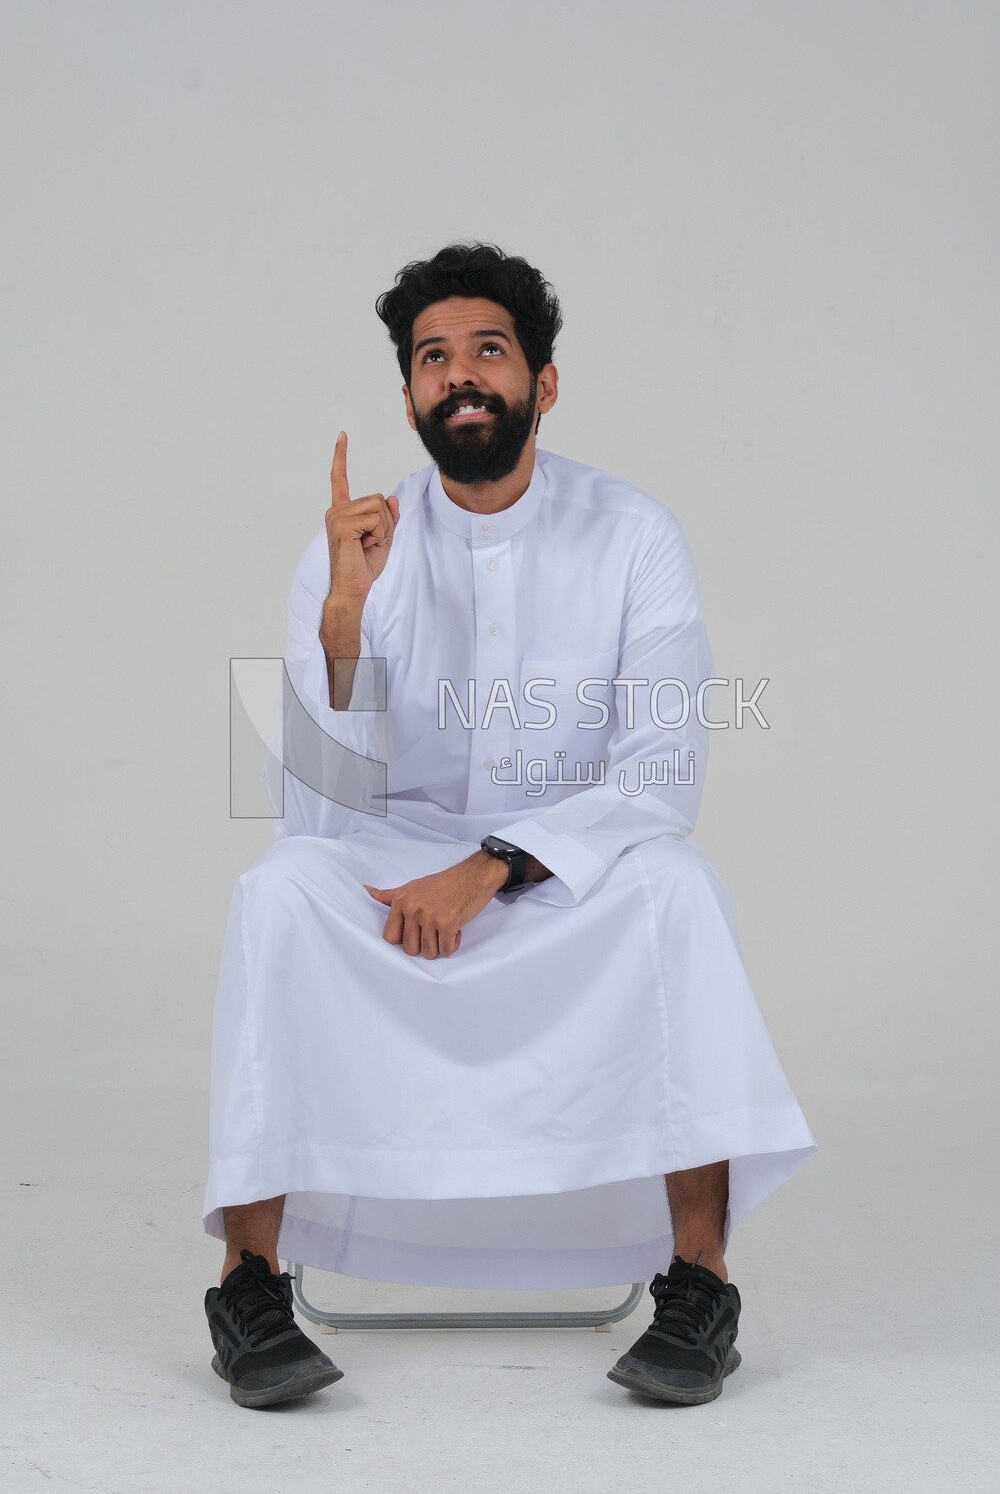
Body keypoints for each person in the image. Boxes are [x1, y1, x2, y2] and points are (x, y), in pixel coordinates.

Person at [202, 242, 816, 1411]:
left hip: (569, 865)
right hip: (392, 862)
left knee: (680, 889)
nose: (462, 375)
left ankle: (700, 1281)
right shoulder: (351, 550)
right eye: (434, 358)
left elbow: (663, 769)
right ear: (408, 397)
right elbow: (314, 808)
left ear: (543, 381)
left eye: (489, 350)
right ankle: (245, 1281)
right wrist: (343, 614)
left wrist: (488, 869)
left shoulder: (635, 533)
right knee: (275, 891)